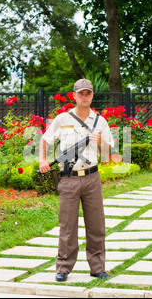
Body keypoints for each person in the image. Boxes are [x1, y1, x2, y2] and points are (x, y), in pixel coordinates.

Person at [39, 79, 114, 282]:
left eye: (88, 93)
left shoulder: (100, 122)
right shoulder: (63, 119)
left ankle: (98, 268)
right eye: (81, 93)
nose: (84, 96)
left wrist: (101, 143)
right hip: (69, 178)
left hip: (92, 178)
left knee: (97, 225)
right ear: (74, 95)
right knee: (68, 226)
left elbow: (109, 153)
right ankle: (63, 267)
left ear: (92, 96)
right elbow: (44, 139)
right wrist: (42, 160)